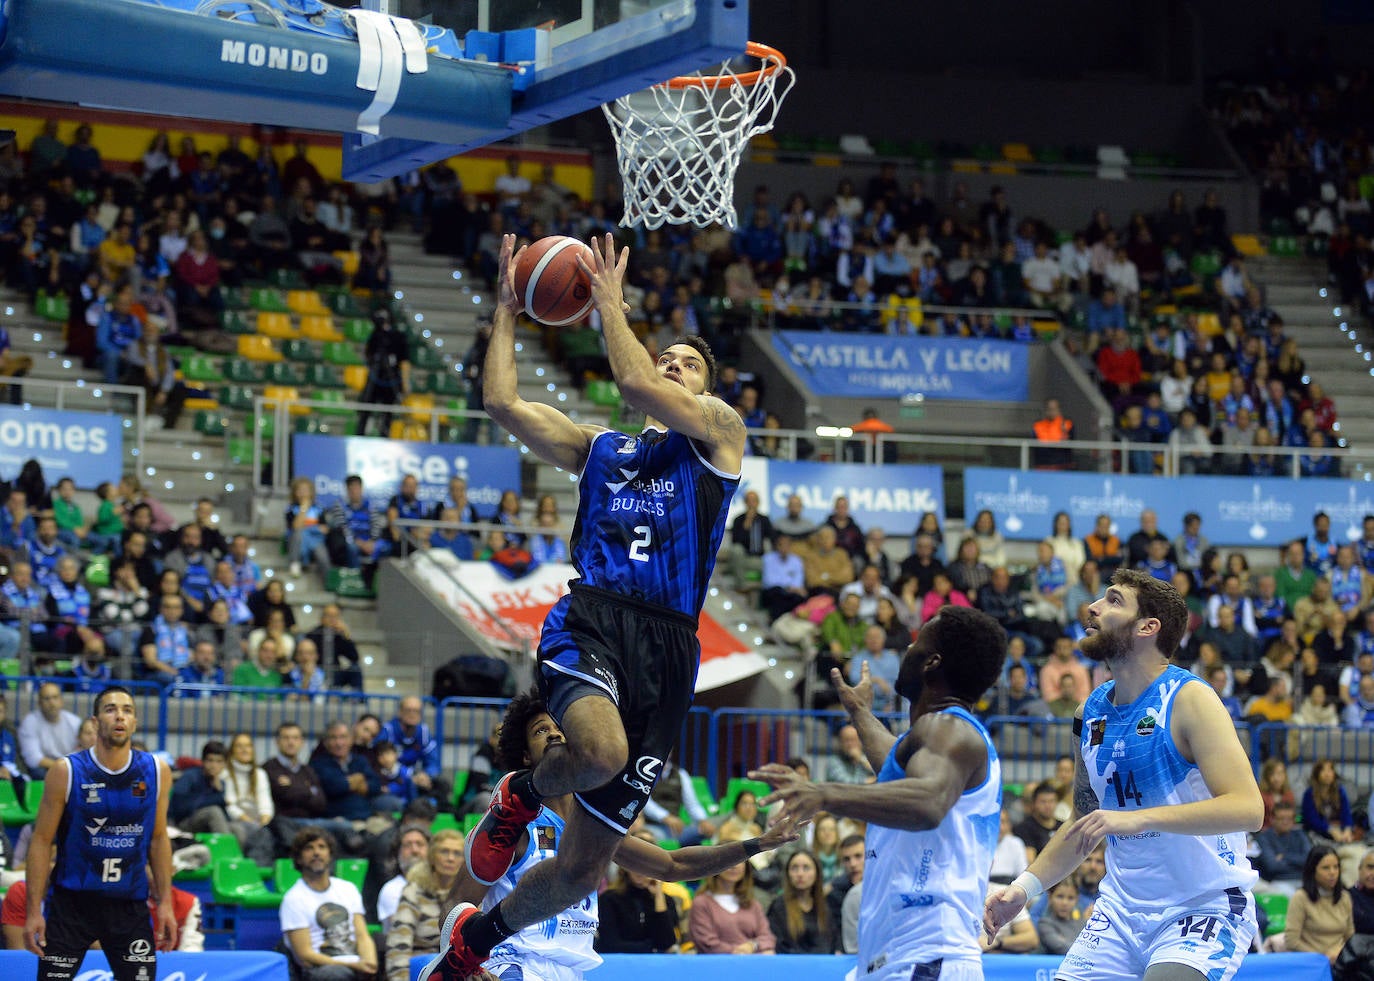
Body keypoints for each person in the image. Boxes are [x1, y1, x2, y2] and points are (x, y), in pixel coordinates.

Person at [422, 232, 745, 978]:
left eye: (687, 364)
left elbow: (636, 382)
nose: (670, 365)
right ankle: (521, 793)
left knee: (579, 871)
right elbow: (500, 400)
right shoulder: (601, 448)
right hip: (594, 617)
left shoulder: (720, 434)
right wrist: (506, 310)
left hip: (668, 647)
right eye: (666, 356)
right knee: (599, 754)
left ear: (705, 389)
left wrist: (609, 307)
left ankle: (473, 942)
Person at [985, 569, 1263, 981]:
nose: (1093, 607)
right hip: (1118, 913)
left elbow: (1248, 809)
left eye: (1113, 600)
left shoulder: (1190, 699)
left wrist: (1136, 817)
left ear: (1148, 627)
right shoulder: (1088, 712)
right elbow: (1083, 823)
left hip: (1202, 908)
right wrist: (1023, 889)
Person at [422, 689, 795, 981]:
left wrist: (758, 844)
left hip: (572, 970)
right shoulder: (513, 823)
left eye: (560, 728)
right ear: (524, 757)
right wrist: (466, 966)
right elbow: (456, 903)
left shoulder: (596, 826)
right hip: (514, 964)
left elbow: (672, 864)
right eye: (540, 731)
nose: (554, 734)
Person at [751, 605, 1009, 981]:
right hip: (902, 959)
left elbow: (927, 802)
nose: (907, 648)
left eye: (916, 641)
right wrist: (860, 714)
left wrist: (824, 793)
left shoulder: (949, 729)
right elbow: (896, 765)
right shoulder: (942, 738)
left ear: (931, 663)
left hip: (925, 958)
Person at [23, 686, 178, 977]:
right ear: (95, 722)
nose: (119, 716)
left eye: (127, 710)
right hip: (73, 905)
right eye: (110, 709)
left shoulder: (157, 770)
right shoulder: (66, 770)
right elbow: (41, 841)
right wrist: (34, 911)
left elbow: (158, 839)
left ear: (134, 722)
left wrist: (166, 904)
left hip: (129, 906)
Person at [280, 827, 379, 981]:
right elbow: (304, 954)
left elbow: (362, 935)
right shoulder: (293, 899)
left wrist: (370, 962)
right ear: (298, 858)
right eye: (309, 848)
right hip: (321, 969)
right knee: (337, 975)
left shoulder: (347, 889)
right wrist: (353, 966)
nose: (316, 853)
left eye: (322, 847)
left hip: (355, 962)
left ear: (330, 855)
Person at [1284, 844, 1354, 967]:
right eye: (1326, 868)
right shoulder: (1300, 898)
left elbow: (1349, 936)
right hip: (1311, 963)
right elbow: (1291, 941)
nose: (1332, 872)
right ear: (1313, 870)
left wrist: (1339, 952)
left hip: (1341, 961)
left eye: (1336, 867)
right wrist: (1322, 957)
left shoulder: (1344, 897)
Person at [767, 848, 838, 954]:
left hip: (823, 964)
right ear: (788, 873)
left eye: (806, 868)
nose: (800, 874)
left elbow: (832, 942)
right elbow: (779, 944)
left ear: (817, 873)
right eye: (794, 868)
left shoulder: (827, 905)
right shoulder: (779, 906)